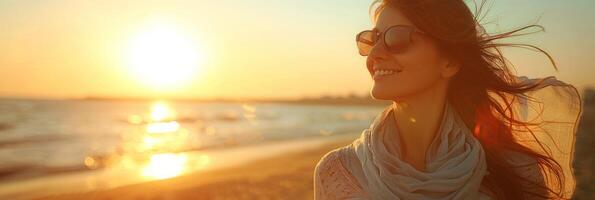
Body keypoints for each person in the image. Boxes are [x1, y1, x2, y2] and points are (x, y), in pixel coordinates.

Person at [313, 0, 583, 199]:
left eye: (396, 37)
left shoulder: (516, 171)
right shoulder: (338, 172)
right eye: (373, 39)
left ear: (450, 62)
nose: (376, 54)